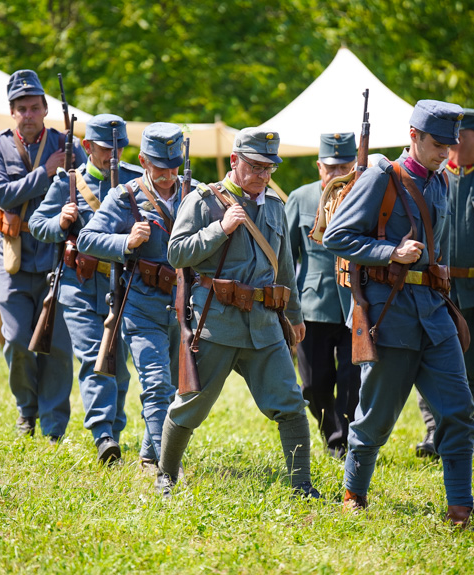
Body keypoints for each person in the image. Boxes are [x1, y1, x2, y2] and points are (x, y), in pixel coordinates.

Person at [322, 100, 474, 526]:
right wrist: (391, 251)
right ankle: (354, 492)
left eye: (450, 145)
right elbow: (336, 237)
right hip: (390, 319)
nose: (444, 152)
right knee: (374, 418)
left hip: (434, 314)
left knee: (459, 411)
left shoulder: (441, 182)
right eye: (436, 143)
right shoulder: (382, 177)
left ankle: (459, 506)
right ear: (414, 136)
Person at [157, 128, 320, 499]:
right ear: (235, 161)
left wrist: (294, 316)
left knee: (291, 405)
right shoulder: (203, 201)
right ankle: (165, 477)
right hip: (216, 324)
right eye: (256, 166)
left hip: (264, 326)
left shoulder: (275, 206)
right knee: (189, 406)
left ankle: (302, 487)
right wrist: (220, 228)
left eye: (269, 168)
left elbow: (284, 269)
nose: (264, 175)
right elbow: (177, 254)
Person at [28, 114, 142, 463]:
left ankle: (114, 431)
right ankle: (102, 433)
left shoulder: (135, 183)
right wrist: (59, 222)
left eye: (120, 147)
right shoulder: (70, 183)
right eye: (107, 148)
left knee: (119, 366)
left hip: (123, 285)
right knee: (95, 357)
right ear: (88, 147)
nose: (114, 154)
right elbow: (37, 224)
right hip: (80, 286)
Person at [77, 123, 189, 469]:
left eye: (174, 166)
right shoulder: (125, 196)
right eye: (160, 167)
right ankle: (166, 471)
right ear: (142, 160)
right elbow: (87, 240)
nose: (169, 175)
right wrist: (126, 242)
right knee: (155, 385)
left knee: (176, 391)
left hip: (184, 306)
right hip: (141, 304)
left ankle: (149, 454)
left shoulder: (194, 192)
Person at [0, 69, 86, 443]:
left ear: (45, 109)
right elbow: (3, 194)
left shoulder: (67, 145)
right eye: (20, 108)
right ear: (12, 113)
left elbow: (81, 193)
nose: (27, 114)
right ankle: (27, 409)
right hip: (13, 256)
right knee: (16, 339)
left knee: (58, 347)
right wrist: (46, 171)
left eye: (34, 107)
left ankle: (54, 427)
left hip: (56, 256)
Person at [413, 109, 474, 457]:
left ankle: (465, 438)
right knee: (429, 361)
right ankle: (433, 433)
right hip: (436, 289)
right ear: (460, 138)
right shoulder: (430, 176)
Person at [285, 132, 361, 459]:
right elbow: (286, 254)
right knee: (314, 385)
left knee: (352, 381)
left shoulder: (367, 196)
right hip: (313, 304)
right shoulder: (300, 199)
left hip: (355, 302)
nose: (338, 174)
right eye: (331, 167)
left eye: (345, 166)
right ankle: (331, 429)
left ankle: (342, 441)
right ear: (319, 167)